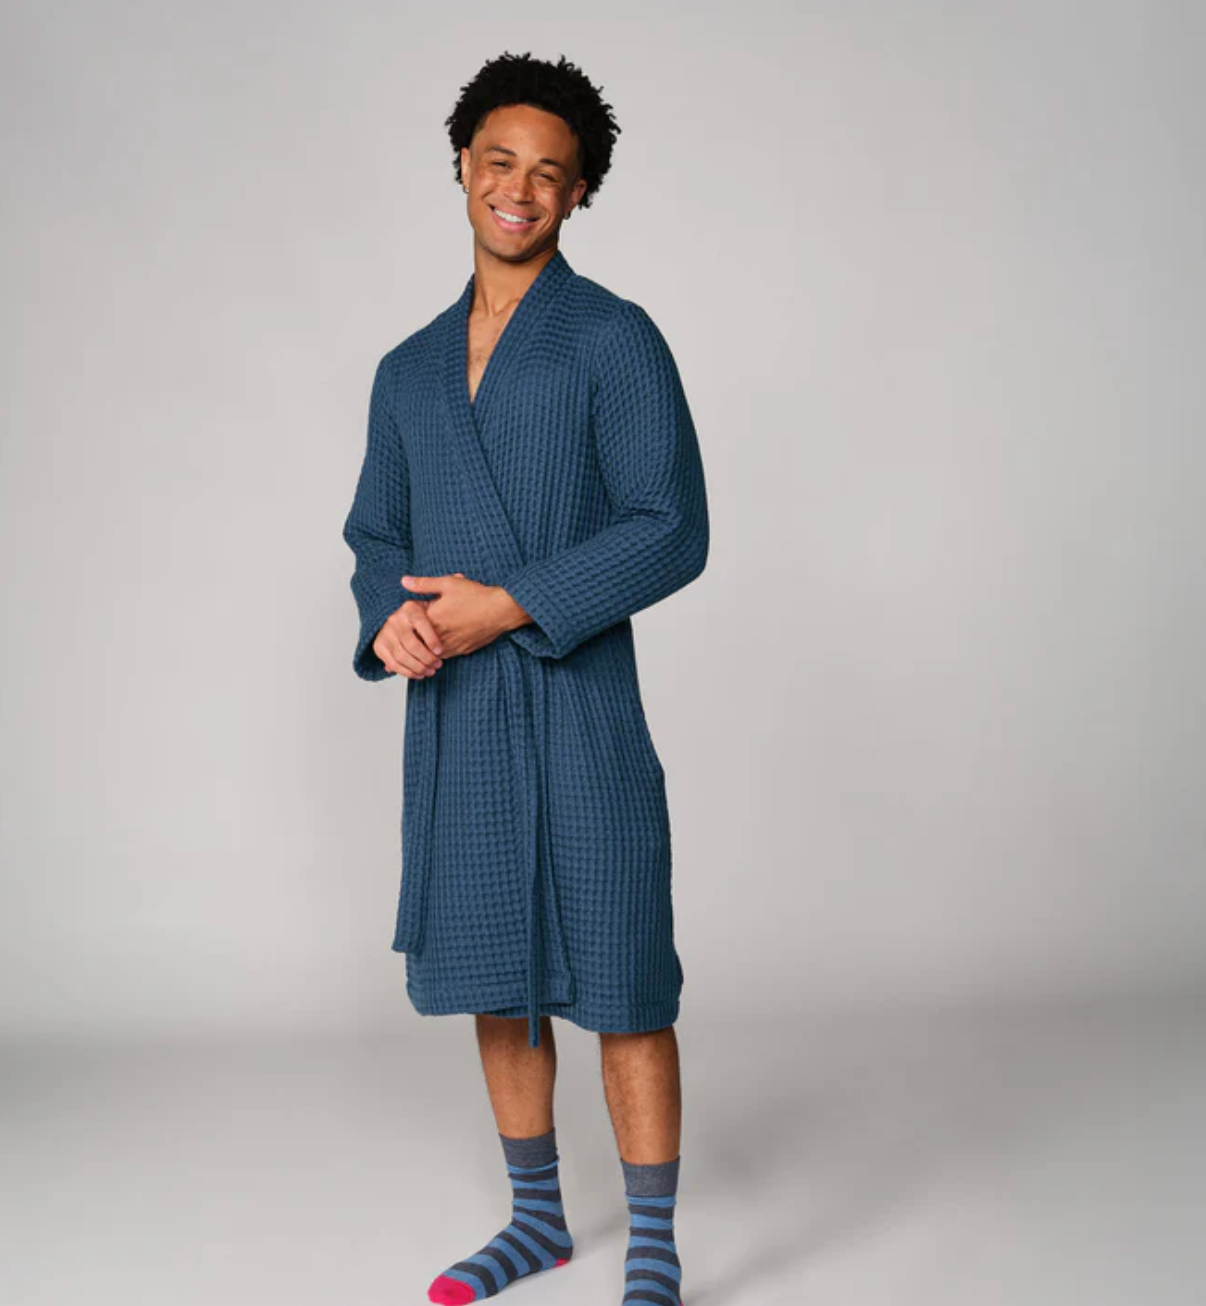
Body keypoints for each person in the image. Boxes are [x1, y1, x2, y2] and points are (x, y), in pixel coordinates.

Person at [342, 50, 708, 1306]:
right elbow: (376, 537)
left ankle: (652, 1241)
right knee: (498, 976)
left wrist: (514, 602)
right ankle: (538, 1220)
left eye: (550, 172)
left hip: (581, 701)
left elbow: (672, 525)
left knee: (624, 975)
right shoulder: (406, 370)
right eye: (499, 161)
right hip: (459, 711)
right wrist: (391, 621)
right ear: (461, 167)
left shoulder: (613, 339)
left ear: (580, 192)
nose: (519, 188)